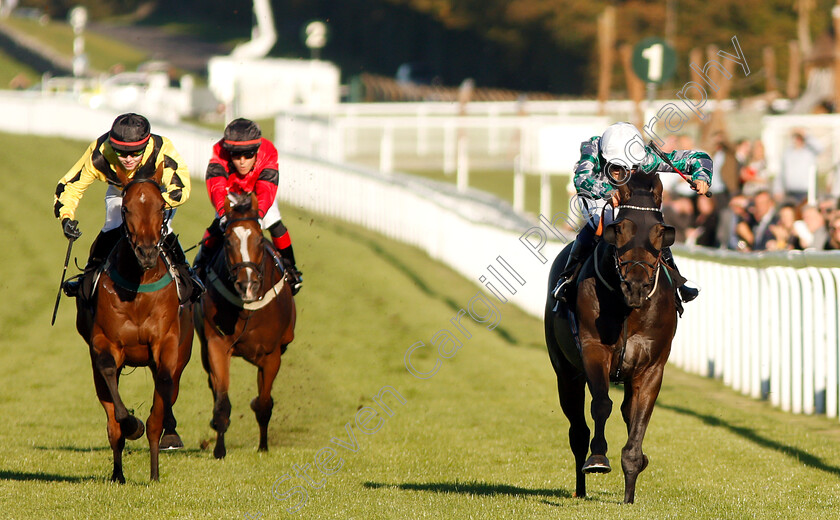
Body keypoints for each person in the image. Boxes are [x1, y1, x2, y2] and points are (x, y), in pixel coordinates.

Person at [552, 122, 711, 304]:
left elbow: (698, 157)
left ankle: (677, 281)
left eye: (632, 168)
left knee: (653, 226)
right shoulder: (593, 149)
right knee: (600, 222)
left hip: (630, 197)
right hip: (596, 194)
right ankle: (568, 277)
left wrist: (702, 175)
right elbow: (582, 179)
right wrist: (608, 191)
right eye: (617, 169)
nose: (625, 174)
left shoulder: (646, 157)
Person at [54, 112, 204, 304]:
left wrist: (151, 205)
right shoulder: (100, 152)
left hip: (158, 194)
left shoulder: (162, 148)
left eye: (135, 152)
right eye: (121, 152)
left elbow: (181, 187)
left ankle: (186, 273)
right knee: (112, 225)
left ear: (146, 144)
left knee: (163, 230)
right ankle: (89, 276)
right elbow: (71, 185)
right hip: (121, 192)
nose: (128, 159)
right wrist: (66, 217)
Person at [192, 118, 303, 294]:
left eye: (248, 155)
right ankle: (198, 269)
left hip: (258, 194)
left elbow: (266, 189)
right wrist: (223, 214)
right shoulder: (219, 152)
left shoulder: (268, 152)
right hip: (231, 194)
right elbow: (216, 187)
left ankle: (292, 270)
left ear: (257, 151)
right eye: (236, 156)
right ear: (229, 153)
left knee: (276, 226)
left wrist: (257, 215)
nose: (242, 162)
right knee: (216, 229)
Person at [775, 129, 822, 204]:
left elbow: (820, 147)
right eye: (796, 138)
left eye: (800, 138)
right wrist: (778, 190)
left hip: (806, 191)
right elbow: (781, 173)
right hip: (790, 192)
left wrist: (805, 134)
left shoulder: (809, 152)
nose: (798, 140)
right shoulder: (787, 153)